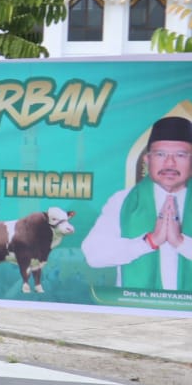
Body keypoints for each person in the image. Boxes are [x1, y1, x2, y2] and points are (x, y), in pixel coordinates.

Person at [82, 115, 192, 291]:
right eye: (161, 154)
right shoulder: (122, 201)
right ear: (147, 160)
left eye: (180, 155)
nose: (170, 163)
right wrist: (148, 242)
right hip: (135, 309)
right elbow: (93, 254)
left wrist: (180, 242)